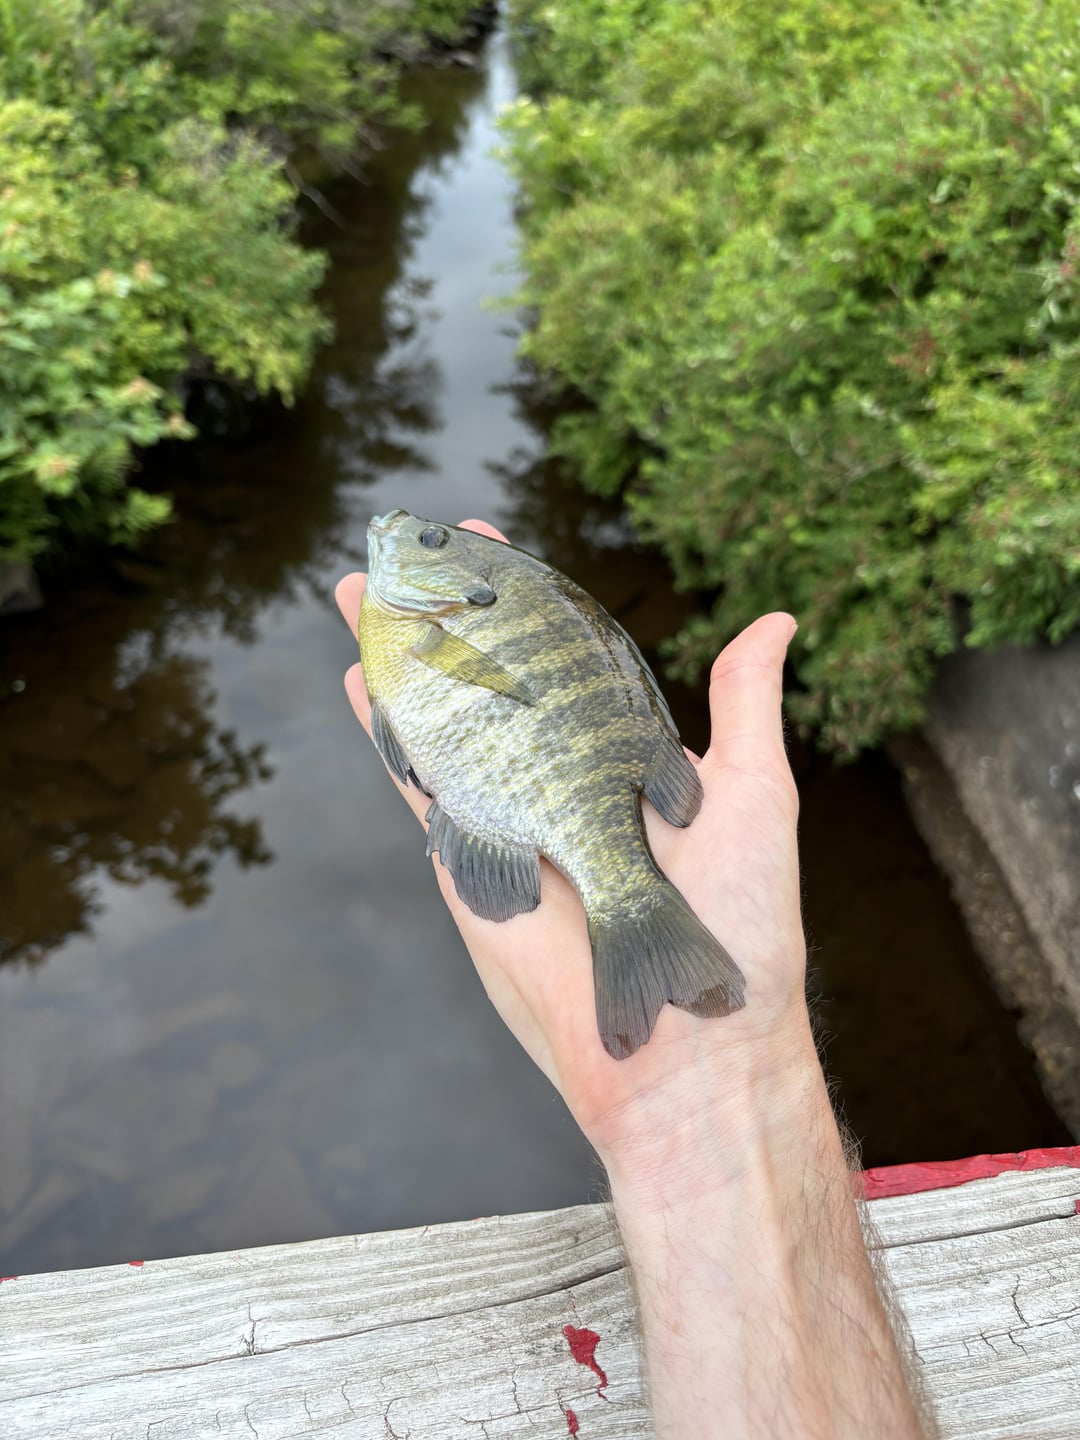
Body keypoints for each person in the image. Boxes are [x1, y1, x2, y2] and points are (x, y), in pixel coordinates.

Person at [335, 518, 935, 1440]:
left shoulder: (419, 623)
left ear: (467, 587)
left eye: (428, 541)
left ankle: (634, 912)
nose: (397, 534)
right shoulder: (417, 621)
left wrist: (716, 1084)